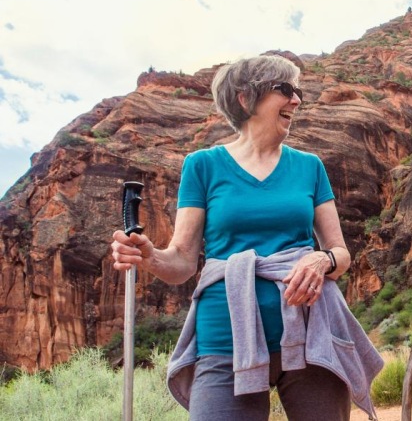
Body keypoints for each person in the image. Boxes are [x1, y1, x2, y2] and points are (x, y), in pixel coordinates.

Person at [111, 54, 383, 420]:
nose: (297, 100)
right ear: (245, 98)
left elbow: (340, 253)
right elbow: (183, 261)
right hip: (224, 341)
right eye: (284, 90)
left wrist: (322, 259)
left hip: (309, 333)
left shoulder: (309, 166)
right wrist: (150, 257)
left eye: (297, 91)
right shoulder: (202, 166)